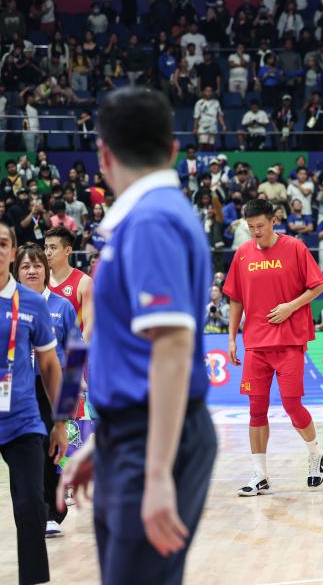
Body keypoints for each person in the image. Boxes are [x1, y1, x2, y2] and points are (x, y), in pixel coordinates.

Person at [56, 87, 216, 584]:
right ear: (173, 149)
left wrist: (156, 473)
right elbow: (117, 344)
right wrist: (100, 446)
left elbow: (171, 346)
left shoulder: (151, 221)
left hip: (152, 440)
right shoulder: (143, 218)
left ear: (102, 154)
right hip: (130, 435)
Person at [223, 198, 323, 497]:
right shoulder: (242, 255)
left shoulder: (295, 248)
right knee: (256, 410)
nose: (256, 232)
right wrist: (232, 337)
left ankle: (314, 454)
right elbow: (236, 299)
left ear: (273, 221)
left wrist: (290, 307)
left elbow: (318, 285)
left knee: (292, 405)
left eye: (260, 226)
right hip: (256, 343)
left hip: (289, 341)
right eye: (251, 227)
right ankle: (260, 475)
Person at [1, 222, 68, 585]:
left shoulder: (35, 304)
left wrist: (61, 421)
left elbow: (51, 364)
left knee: (29, 507)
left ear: (11, 251)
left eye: (3, 243)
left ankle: (34, 580)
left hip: (24, 417)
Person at [14, 245, 77, 539]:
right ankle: (36, 510)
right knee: (28, 450)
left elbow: (76, 353)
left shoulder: (62, 306)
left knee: (51, 450)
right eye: (26, 266)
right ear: (17, 271)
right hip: (17, 388)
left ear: (46, 270)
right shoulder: (9, 305)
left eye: (37, 266)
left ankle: (53, 511)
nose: (32, 271)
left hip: (51, 386)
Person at [44, 226, 93, 340]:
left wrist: (75, 356)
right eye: (46, 247)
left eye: (53, 247)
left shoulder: (84, 282)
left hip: (70, 352)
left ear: (68, 250)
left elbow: (89, 328)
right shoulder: (41, 280)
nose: (48, 252)